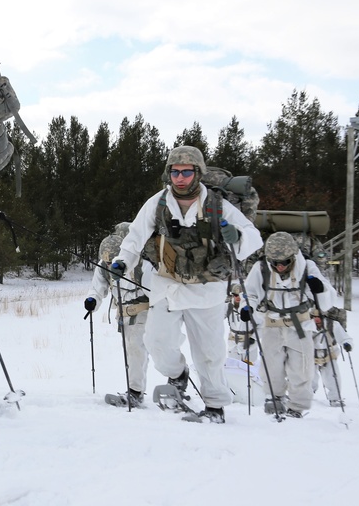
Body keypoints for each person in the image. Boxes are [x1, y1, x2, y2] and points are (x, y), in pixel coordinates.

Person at [112, 146, 263, 424]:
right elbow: (135, 236)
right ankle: (178, 374)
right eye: (175, 171)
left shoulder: (218, 205)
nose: (180, 177)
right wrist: (123, 261)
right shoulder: (158, 203)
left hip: (208, 290)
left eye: (186, 172)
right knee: (156, 342)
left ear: (198, 173)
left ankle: (215, 407)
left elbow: (254, 238)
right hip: (168, 286)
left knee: (209, 353)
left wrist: (237, 235)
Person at [240, 231, 335, 418]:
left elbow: (327, 300)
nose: (280, 266)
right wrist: (247, 307)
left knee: (302, 369)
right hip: (271, 323)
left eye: (284, 262)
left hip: (299, 325)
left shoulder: (307, 266)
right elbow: (250, 292)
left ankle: (297, 406)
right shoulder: (261, 268)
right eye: (276, 263)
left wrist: (319, 289)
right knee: (271, 366)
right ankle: (274, 398)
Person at [84, 223, 152, 407]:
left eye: (111, 262)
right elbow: (97, 287)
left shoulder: (140, 264)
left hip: (145, 312)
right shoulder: (104, 264)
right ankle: (135, 391)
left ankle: (142, 390)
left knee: (140, 349)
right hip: (125, 316)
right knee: (134, 351)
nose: (108, 265)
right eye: (105, 261)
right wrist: (92, 300)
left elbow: (156, 289)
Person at [312, 310, 354, 407]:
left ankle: (335, 398)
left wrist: (347, 344)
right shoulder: (306, 324)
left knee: (333, 377)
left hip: (329, 355)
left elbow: (345, 338)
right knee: (308, 377)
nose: (316, 319)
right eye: (314, 317)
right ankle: (306, 395)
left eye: (319, 317)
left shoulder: (332, 325)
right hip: (310, 355)